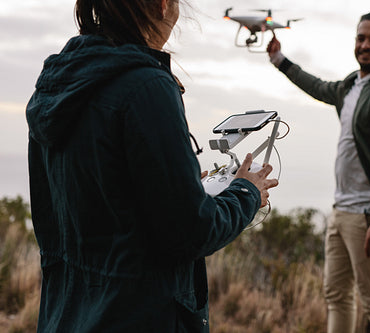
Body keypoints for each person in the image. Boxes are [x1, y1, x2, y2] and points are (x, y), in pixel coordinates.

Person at [26, 0, 278, 331]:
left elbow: (93, 202)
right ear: (162, 6)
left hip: (66, 315)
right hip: (136, 314)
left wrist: (179, 186)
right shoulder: (147, 86)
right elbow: (191, 232)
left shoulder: (57, 86)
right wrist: (245, 191)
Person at [267, 11, 370, 333]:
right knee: (336, 296)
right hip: (341, 211)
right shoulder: (352, 85)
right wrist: (279, 59)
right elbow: (317, 86)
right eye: (360, 38)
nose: (365, 45)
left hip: (369, 215)